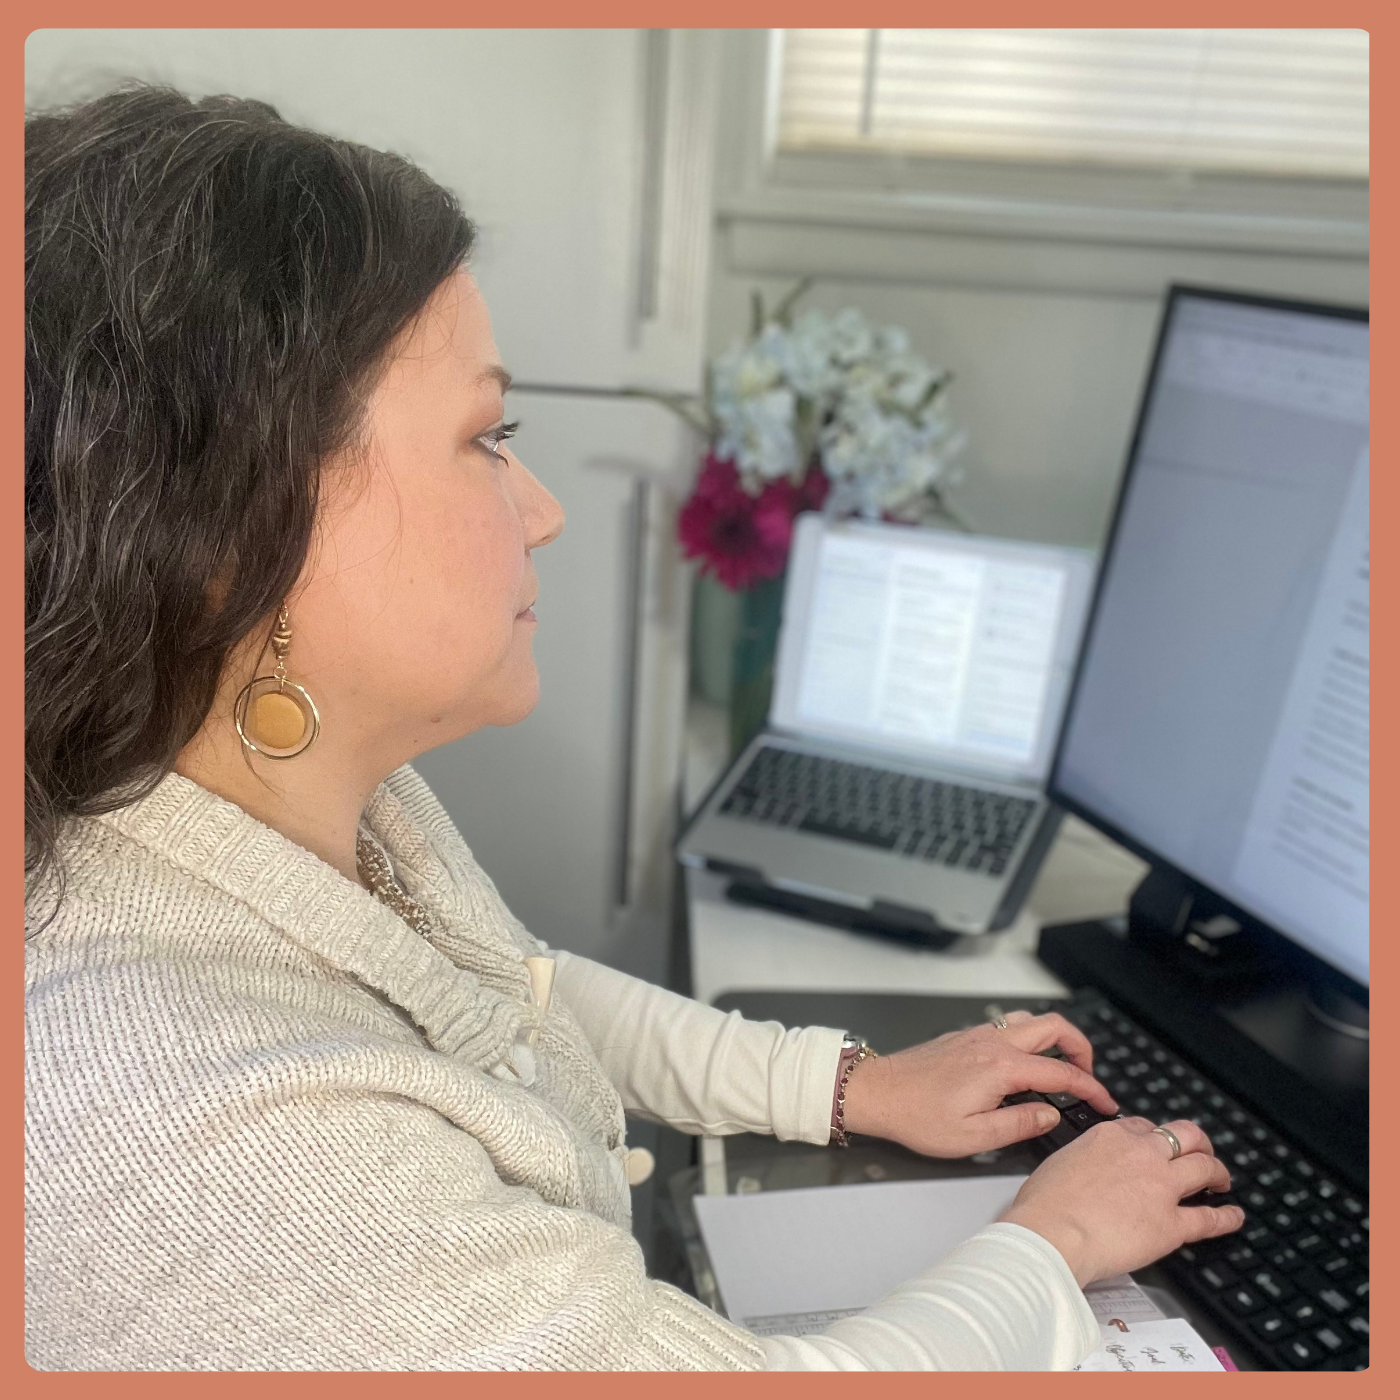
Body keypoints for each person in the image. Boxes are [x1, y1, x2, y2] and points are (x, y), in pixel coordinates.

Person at [24, 84, 1244, 1372]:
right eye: (487, 437)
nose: (542, 510)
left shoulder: (258, 780)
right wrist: (1050, 1240)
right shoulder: (225, 1144)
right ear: (234, 534)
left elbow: (508, 997)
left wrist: (847, 1086)